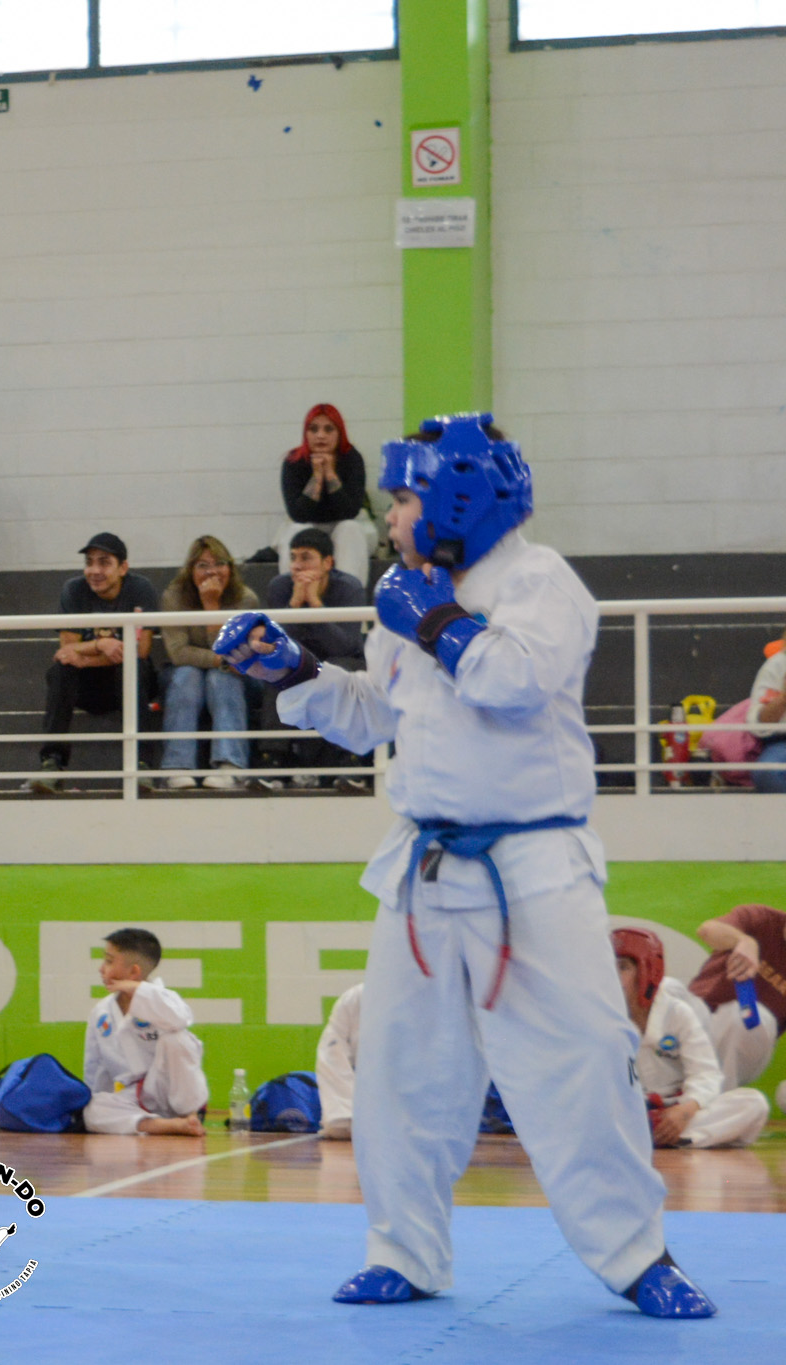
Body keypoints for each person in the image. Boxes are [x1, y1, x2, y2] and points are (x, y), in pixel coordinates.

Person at [215, 412, 712, 1316]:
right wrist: (292, 670)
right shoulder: (407, 594)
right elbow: (376, 714)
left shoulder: (540, 581)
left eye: (404, 499)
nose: (392, 518)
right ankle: (403, 1251)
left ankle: (639, 1256)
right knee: (402, 1072)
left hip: (536, 868)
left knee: (580, 1069)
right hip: (424, 868)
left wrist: (435, 618)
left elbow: (512, 682)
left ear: (458, 498)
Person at [28, 532, 160, 794]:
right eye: (89, 562)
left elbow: (140, 650)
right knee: (61, 671)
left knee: (133, 667)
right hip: (89, 688)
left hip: (129, 681)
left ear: (123, 568)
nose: (94, 571)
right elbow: (67, 650)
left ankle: (141, 764)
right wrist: (102, 645)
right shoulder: (74, 590)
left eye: (104, 562)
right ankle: (52, 762)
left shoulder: (140, 589)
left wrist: (87, 657)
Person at [613, 928, 768, 1149]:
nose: (613, 976)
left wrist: (685, 1111)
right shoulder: (603, 1017)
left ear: (648, 970)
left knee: (753, 1104)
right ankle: (656, 1134)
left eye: (623, 967)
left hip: (675, 1108)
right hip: (628, 1109)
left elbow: (706, 1074)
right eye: (610, 967)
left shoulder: (677, 1013)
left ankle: (662, 1134)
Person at [260, 527, 368, 789]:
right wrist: (294, 606)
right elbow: (274, 645)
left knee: (338, 670)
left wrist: (316, 605)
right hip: (299, 658)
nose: (297, 566)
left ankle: (350, 763)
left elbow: (345, 645)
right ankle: (274, 763)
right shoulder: (280, 587)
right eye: (293, 558)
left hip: (342, 659)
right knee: (277, 668)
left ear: (328, 562)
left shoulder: (349, 588)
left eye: (306, 557)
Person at [79, 928, 209, 1136]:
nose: (101, 969)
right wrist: (95, 1099)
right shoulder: (102, 1012)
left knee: (177, 1039)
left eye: (109, 961)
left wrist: (137, 990)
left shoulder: (164, 999)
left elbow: (181, 1019)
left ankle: (190, 1115)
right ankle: (169, 1126)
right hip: (137, 1097)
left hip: (174, 1090)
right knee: (93, 1110)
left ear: (134, 972)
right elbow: (95, 1068)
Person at [158, 535, 257, 790]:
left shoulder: (245, 599)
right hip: (184, 673)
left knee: (221, 677)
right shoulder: (174, 597)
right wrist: (221, 660)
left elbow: (239, 658)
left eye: (219, 563)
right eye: (202, 565)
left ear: (230, 568)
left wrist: (211, 606)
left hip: (239, 677)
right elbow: (179, 653)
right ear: (190, 570)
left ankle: (230, 765)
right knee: (188, 674)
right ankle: (177, 766)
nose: (212, 571)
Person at [683, 903, 786, 1095]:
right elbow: (707, 930)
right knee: (670, 991)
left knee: (743, 1017)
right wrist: (743, 941)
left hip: (748, 1044)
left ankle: (710, 1097)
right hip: (699, 1017)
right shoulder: (763, 918)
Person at [279, 402, 375, 573]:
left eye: (328, 429)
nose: (320, 436)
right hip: (309, 523)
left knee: (349, 529)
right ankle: (297, 588)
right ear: (306, 434)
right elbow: (298, 515)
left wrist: (330, 474)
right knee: (296, 530)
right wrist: (317, 477)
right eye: (313, 429)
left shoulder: (352, 458)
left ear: (339, 433)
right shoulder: (294, 461)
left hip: (347, 524)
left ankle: (349, 588)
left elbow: (350, 512)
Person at [316, 982, 364, 1141]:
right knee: (341, 1124)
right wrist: (344, 1116)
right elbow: (332, 1056)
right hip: (366, 1116)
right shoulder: (355, 999)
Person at [743, 644, 786, 794]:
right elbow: (758, 725)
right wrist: (783, 699)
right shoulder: (777, 665)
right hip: (781, 742)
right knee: (767, 773)